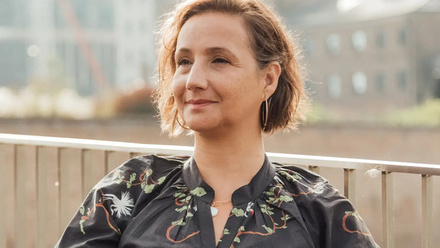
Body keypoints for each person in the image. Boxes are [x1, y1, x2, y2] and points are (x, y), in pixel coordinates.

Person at [56, 0, 378, 247]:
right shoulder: (130, 190)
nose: (193, 80)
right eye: (184, 61)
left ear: (268, 79)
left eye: (219, 60)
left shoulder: (318, 210)